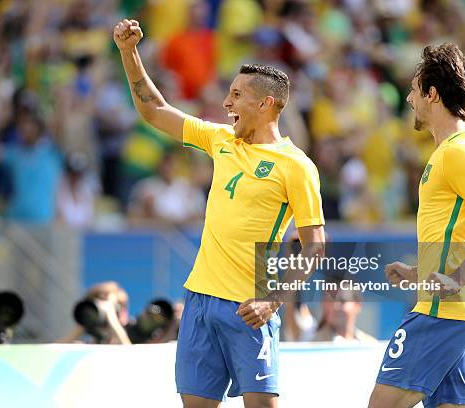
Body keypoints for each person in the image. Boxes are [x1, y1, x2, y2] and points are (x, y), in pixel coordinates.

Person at [114, 19, 325, 408]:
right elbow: (155, 110)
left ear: (265, 104)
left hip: (250, 306)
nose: (226, 103)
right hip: (200, 301)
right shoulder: (221, 140)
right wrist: (129, 53)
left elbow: (315, 247)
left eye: (236, 95)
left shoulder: (296, 165)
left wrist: (272, 300)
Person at [368, 43, 465, 408]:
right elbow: (458, 234)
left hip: (444, 312)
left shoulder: (461, 150)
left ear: (432, 93)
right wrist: (420, 272)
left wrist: (456, 280)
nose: (410, 99)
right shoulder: (448, 152)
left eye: (414, 90)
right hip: (457, 310)